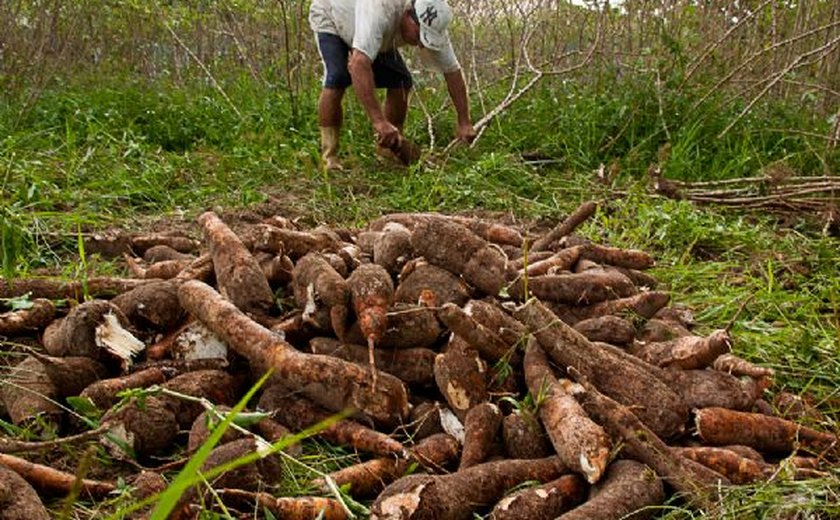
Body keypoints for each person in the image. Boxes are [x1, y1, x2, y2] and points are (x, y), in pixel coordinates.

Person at [309, 0, 477, 170]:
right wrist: (379, 121)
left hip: (373, 33)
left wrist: (464, 121)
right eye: (419, 36)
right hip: (332, 16)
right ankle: (329, 157)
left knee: (401, 81)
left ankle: (388, 149)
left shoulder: (433, 23)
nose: (420, 43)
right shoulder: (379, 10)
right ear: (408, 15)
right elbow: (358, 64)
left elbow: (452, 72)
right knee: (337, 77)